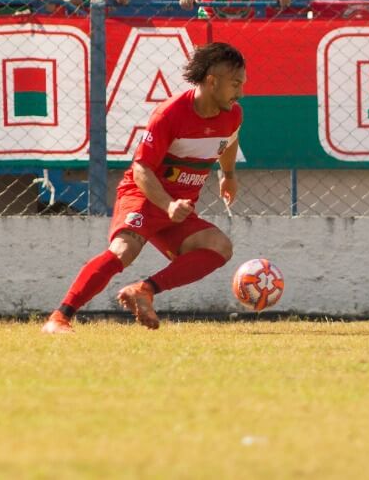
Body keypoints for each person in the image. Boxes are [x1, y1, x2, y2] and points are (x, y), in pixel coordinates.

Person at [43, 41, 246, 333]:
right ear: (212, 81)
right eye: (236, 84)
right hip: (145, 196)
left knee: (219, 246)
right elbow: (141, 169)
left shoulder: (232, 113)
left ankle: (144, 290)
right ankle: (59, 318)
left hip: (176, 208)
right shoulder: (171, 114)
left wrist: (228, 174)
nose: (240, 92)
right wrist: (168, 205)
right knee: (123, 250)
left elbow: (228, 139)